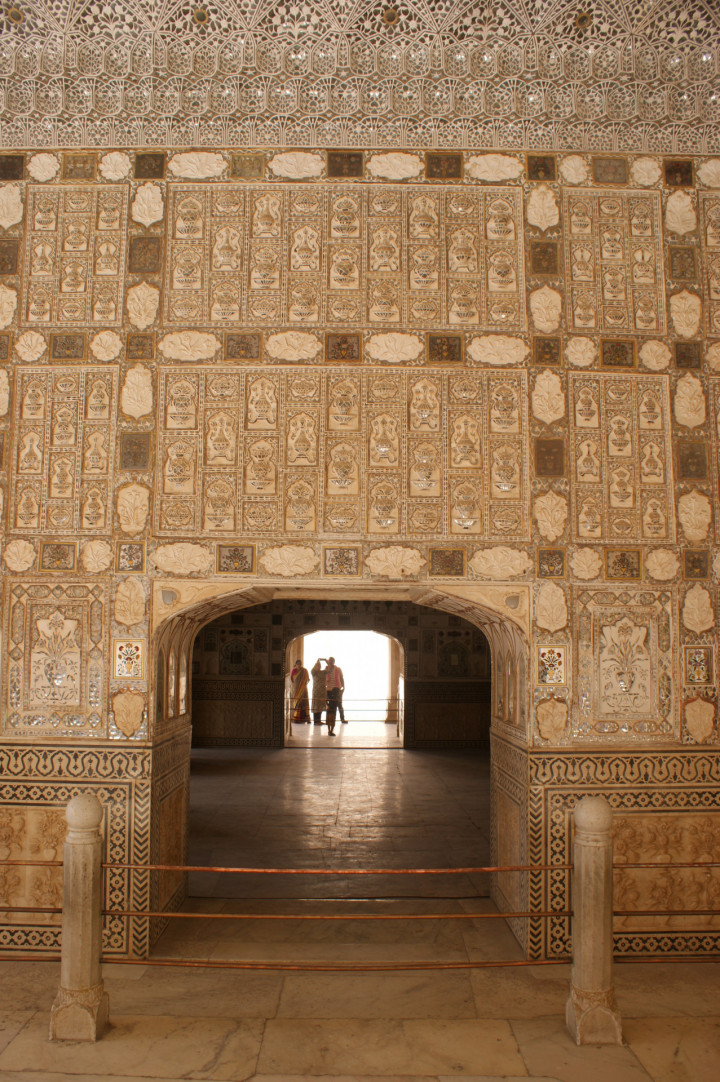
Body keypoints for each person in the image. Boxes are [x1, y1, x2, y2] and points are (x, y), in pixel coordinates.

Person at [324, 656, 344, 735]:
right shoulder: (327, 669)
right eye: (330, 661)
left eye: (332, 661)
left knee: (336, 708)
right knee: (329, 709)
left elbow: (341, 678)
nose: (331, 663)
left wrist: (343, 687)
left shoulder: (338, 669)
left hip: (336, 690)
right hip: (328, 690)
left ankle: (332, 728)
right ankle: (329, 727)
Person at [290, 658, 310, 723]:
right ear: (295, 664)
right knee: (297, 703)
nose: (299, 665)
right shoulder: (294, 671)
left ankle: (306, 718)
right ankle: (296, 718)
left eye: (300, 664)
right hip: (296, 690)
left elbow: (308, 679)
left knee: (304, 702)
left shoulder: (304, 671)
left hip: (303, 689)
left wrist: (303, 684)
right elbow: (292, 680)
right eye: (297, 664)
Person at [310, 659, 327, 726]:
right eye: (317, 665)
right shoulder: (314, 672)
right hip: (316, 692)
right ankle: (316, 721)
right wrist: (318, 661)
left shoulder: (323, 672)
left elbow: (330, 670)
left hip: (322, 692)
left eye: (319, 665)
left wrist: (326, 661)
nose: (318, 666)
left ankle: (319, 720)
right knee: (316, 706)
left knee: (320, 706)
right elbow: (313, 670)